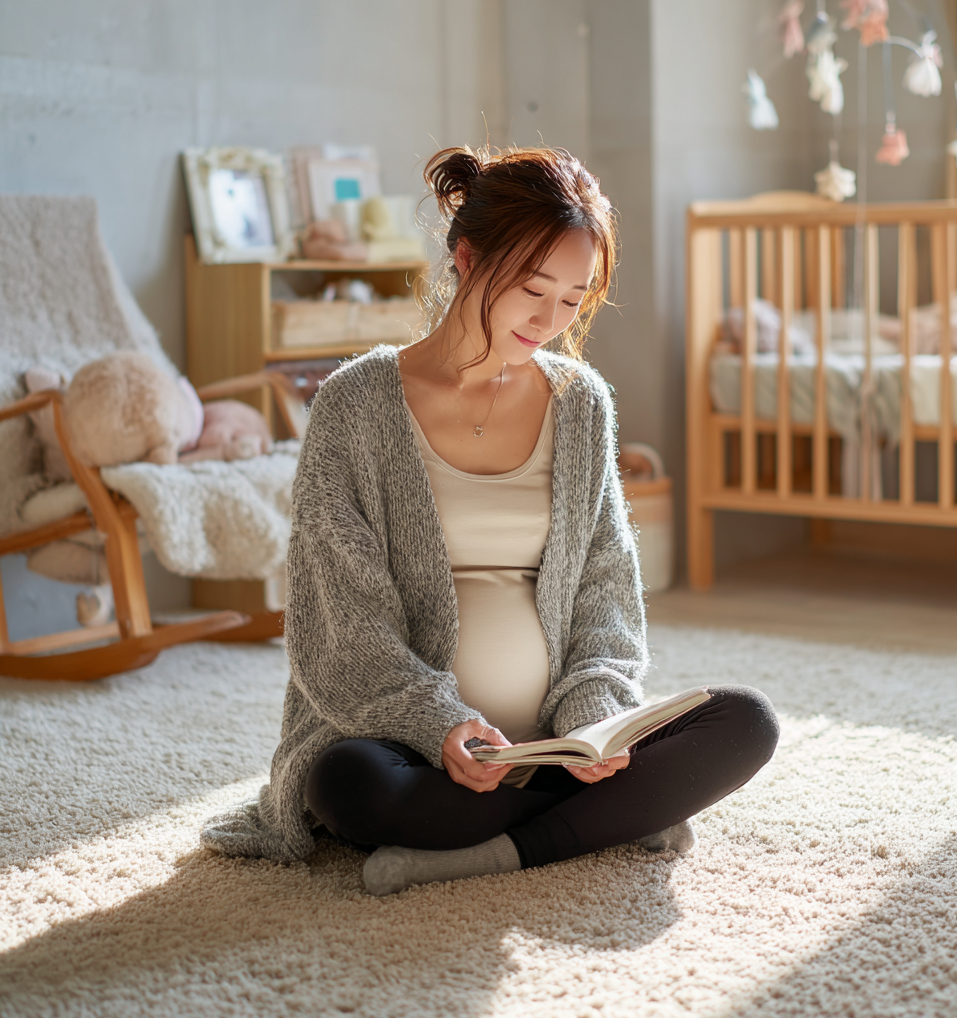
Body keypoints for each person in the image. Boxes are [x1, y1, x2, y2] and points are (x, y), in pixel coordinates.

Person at [201, 146, 779, 894]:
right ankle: (589, 819)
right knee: (349, 782)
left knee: (744, 722)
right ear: (465, 259)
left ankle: (497, 849)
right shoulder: (355, 406)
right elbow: (338, 623)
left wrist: (592, 719)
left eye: (573, 300)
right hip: (405, 743)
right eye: (533, 290)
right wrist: (439, 724)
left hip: (558, 742)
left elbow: (607, 598)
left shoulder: (580, 404)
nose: (550, 320)